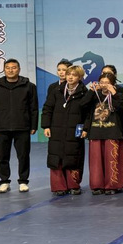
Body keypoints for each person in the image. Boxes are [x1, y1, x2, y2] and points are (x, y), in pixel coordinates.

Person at [0, 59, 39, 193]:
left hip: (22, 126)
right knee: (2, 156)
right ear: (4, 70)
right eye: (8, 68)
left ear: (19, 69)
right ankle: (4, 181)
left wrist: (33, 125)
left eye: (14, 67)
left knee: (23, 156)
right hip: (1, 127)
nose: (10, 70)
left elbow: (33, 108)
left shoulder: (29, 86)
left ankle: (23, 181)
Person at [42, 65, 91, 195]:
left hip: (75, 130)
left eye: (74, 75)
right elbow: (47, 108)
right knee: (56, 156)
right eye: (69, 74)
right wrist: (46, 126)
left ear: (80, 77)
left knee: (73, 156)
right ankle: (59, 186)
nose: (70, 77)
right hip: (56, 130)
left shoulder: (84, 93)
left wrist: (86, 128)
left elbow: (88, 113)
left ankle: (73, 185)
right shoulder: (57, 90)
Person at [82, 71, 123, 195]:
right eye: (102, 82)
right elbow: (83, 105)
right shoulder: (94, 95)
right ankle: (97, 185)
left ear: (113, 84)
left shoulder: (118, 94)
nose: (104, 85)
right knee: (96, 161)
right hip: (96, 131)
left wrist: (113, 93)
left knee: (112, 159)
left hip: (112, 132)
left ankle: (112, 185)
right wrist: (91, 91)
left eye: (107, 83)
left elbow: (121, 107)